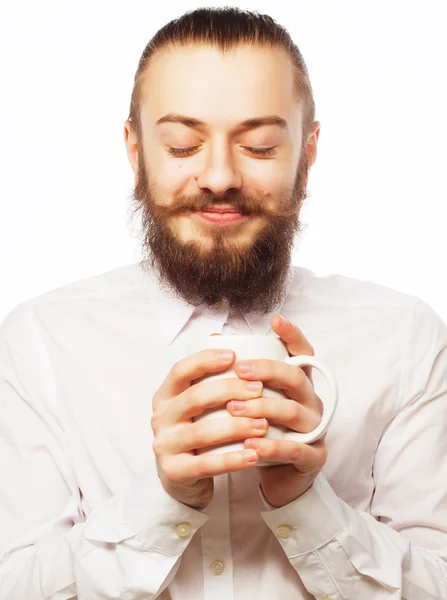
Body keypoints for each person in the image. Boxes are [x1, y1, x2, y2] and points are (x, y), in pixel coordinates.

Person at [0, 6, 446, 599]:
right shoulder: (41, 340)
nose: (218, 176)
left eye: (259, 147)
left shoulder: (406, 339)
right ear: (135, 150)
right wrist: (161, 503)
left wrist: (306, 502)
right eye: (183, 145)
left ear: (308, 152)